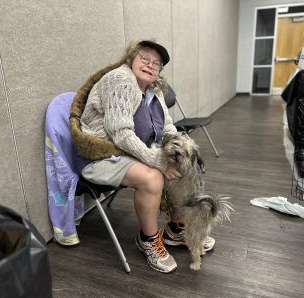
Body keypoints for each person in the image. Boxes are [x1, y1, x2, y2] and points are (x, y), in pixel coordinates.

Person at [79, 40, 214, 273]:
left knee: (182, 167)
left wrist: (183, 147)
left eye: (157, 63)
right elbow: (120, 134)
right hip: (101, 154)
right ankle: (148, 240)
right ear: (131, 58)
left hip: (129, 151)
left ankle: (176, 229)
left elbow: (167, 127)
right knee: (153, 177)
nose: (150, 65)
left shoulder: (154, 89)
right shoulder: (120, 80)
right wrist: (158, 161)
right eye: (144, 58)